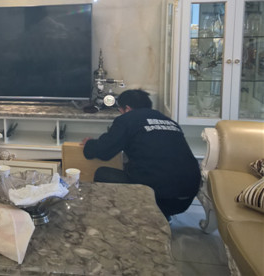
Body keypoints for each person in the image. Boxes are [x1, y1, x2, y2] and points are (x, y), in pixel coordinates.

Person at [82, 89, 201, 219]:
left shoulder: (126, 119)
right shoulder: (169, 121)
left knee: (102, 173)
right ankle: (161, 216)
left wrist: (89, 143)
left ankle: (128, 219)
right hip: (186, 198)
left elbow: (103, 151)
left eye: (120, 110)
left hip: (155, 197)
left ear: (127, 109)